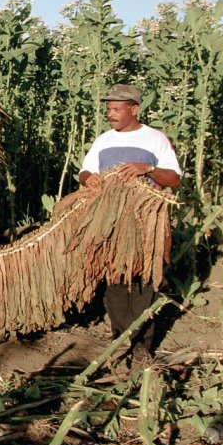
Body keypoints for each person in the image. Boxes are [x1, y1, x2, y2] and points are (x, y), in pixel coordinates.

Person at [78, 83, 181, 365]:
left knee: (143, 279)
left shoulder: (156, 139)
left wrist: (147, 168)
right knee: (114, 280)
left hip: (143, 219)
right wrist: (90, 178)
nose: (110, 114)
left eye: (116, 109)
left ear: (134, 109)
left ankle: (141, 346)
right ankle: (120, 339)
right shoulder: (103, 140)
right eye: (108, 109)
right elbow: (85, 170)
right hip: (110, 220)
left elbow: (174, 178)